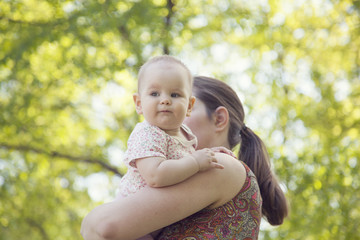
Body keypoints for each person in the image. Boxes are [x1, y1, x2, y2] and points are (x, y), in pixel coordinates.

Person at [81, 76, 288, 240]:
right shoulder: (197, 175)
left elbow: (104, 227)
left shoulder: (221, 165)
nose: (167, 116)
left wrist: (89, 221)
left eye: (184, 107)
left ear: (219, 119)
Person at [116, 56, 224, 239]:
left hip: (156, 222)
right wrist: (196, 162)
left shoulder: (185, 134)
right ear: (139, 104)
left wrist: (210, 155)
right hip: (130, 223)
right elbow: (155, 176)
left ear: (189, 106)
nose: (165, 100)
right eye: (154, 94)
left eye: (175, 95)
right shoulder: (148, 133)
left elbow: (183, 165)